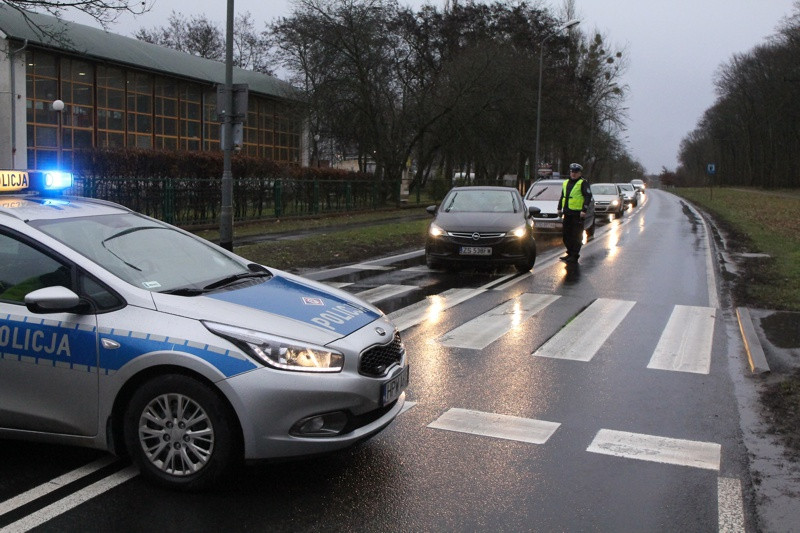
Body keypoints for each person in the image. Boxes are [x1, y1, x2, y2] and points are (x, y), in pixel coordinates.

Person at [557, 163, 592, 263]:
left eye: (576, 172)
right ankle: (569, 252)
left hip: (577, 214)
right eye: (572, 172)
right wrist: (559, 208)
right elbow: (562, 196)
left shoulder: (583, 183)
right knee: (566, 235)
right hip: (567, 213)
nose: (573, 174)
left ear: (580, 173)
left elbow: (587, 196)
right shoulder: (566, 183)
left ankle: (574, 255)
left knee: (576, 235)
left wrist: (584, 210)